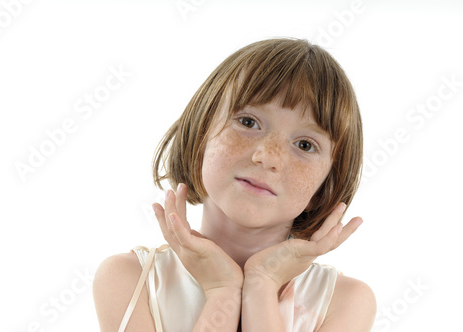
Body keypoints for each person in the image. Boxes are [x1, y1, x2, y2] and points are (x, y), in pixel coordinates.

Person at [93, 38, 376, 331]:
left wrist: (262, 285)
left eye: (305, 144)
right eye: (249, 122)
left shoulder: (346, 302)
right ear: (201, 132)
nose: (268, 157)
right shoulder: (129, 278)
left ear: (326, 184)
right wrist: (222, 290)